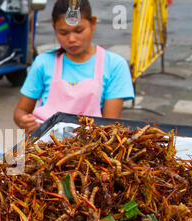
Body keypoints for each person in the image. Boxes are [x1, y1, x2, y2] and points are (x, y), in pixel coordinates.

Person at [14, 0, 135, 133]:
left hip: (90, 145)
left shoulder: (115, 65)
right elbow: (20, 111)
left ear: (93, 23)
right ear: (54, 28)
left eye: (79, 30)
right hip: (44, 145)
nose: (71, 39)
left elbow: (110, 127)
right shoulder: (43, 62)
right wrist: (24, 121)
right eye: (63, 33)